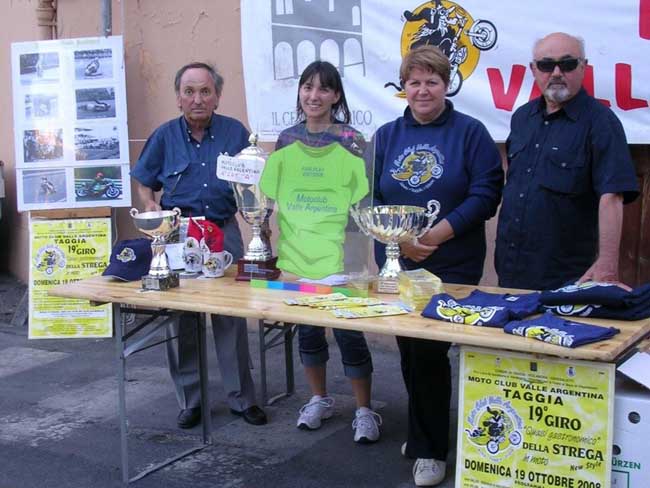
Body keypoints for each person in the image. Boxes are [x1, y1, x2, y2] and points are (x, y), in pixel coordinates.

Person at [373, 46, 503, 486]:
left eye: (432, 81)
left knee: (430, 350)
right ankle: (423, 427)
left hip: (452, 262)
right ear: (403, 87)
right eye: (414, 81)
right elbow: (372, 197)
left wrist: (433, 236)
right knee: (409, 349)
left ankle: (431, 450)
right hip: (397, 261)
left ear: (446, 85)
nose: (423, 89)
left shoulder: (471, 133)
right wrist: (401, 243)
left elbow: (485, 193)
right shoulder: (387, 135)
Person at [131, 62, 267, 429]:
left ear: (217, 96)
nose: (197, 99)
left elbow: (255, 184)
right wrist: (149, 204)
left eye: (205, 91)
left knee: (231, 320)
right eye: (189, 91)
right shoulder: (164, 137)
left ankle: (242, 399)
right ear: (178, 97)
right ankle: (190, 400)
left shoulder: (235, 133)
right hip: (180, 235)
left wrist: (262, 230)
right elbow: (144, 180)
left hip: (225, 232)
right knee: (183, 321)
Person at [273, 60, 381, 443]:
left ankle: (365, 410)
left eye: (323, 89)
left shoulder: (352, 139)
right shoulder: (286, 139)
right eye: (307, 87)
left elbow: (363, 198)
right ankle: (319, 399)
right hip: (302, 252)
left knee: (349, 329)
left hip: (344, 251)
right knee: (308, 328)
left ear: (336, 96)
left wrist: (352, 254)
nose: (313, 96)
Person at [495, 33, 639, 291]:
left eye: (568, 64)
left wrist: (606, 265)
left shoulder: (602, 123)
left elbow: (612, 197)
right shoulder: (522, 118)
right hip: (510, 273)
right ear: (533, 69)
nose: (557, 72)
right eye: (547, 65)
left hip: (567, 280)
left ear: (584, 67)